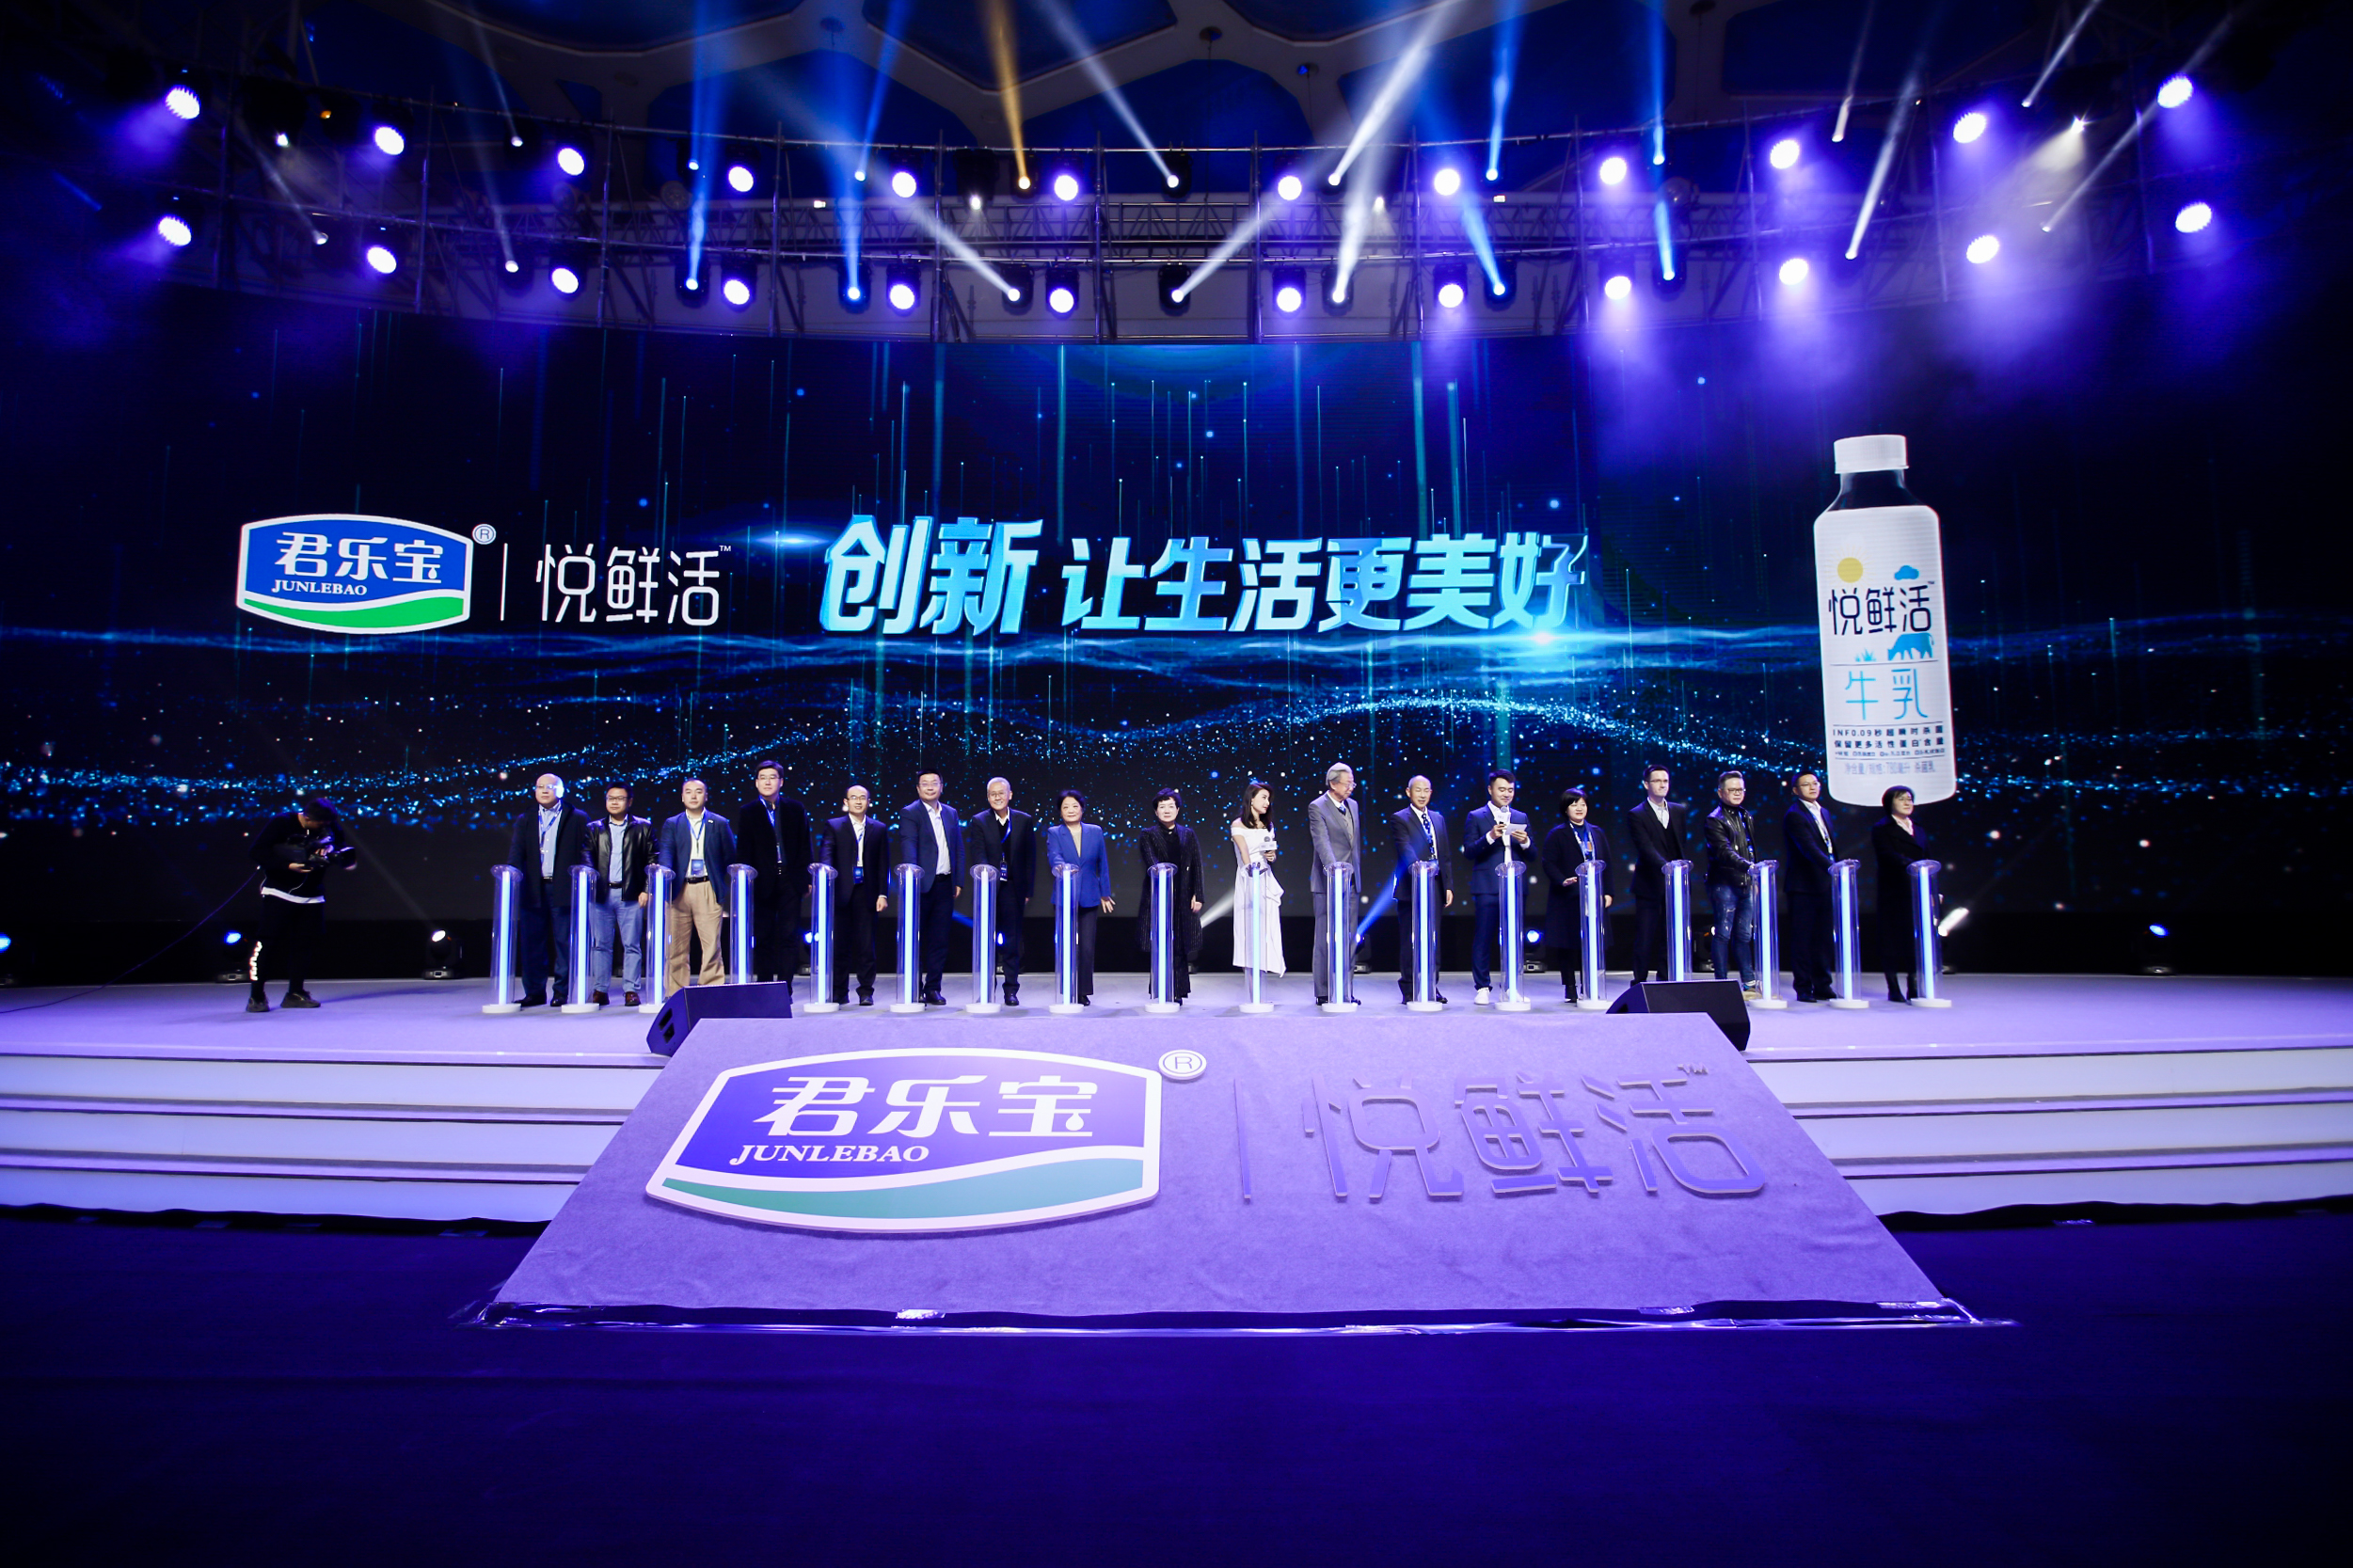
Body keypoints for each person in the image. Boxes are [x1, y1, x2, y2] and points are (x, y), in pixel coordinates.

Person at [243, 796, 358, 1012]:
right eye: (319, 823)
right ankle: (256, 996)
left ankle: (295, 992)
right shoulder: (282, 822)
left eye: (327, 823)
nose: (323, 826)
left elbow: (341, 851)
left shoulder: (331, 827)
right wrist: (287, 865)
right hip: (279, 892)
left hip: (312, 896)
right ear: (307, 817)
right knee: (267, 944)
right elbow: (257, 851)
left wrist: (333, 854)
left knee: (304, 945)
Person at [505, 773, 589, 1008]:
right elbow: (516, 851)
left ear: (561, 791)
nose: (544, 790)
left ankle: (561, 991)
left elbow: (585, 851)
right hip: (533, 888)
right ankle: (534, 992)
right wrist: (511, 875)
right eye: (539, 786)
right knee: (532, 943)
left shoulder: (577, 817)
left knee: (564, 942)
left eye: (549, 786)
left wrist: (585, 876)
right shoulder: (526, 818)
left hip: (563, 888)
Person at [736, 761, 811, 986]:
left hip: (790, 880)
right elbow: (744, 850)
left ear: (781, 781)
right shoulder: (748, 811)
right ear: (756, 782)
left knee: (789, 936)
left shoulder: (795, 808)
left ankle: (785, 988)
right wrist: (746, 883)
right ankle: (765, 988)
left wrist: (806, 879)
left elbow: (804, 846)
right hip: (761, 882)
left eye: (772, 777)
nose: (767, 782)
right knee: (763, 937)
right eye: (763, 778)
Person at [1462, 768, 1534, 1005]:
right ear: (1490, 790)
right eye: (1502, 789)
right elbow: (1469, 851)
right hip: (1488, 886)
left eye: (1510, 790)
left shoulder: (1521, 816)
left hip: (1515, 886)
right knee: (1483, 937)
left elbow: (1533, 855)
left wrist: (1525, 842)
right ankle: (1482, 986)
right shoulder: (1476, 816)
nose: (1506, 794)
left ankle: (1512, 985)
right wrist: (1490, 836)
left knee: (1513, 938)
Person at [657, 778, 735, 992]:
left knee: (711, 945)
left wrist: (721, 883)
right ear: (682, 797)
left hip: (708, 887)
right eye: (688, 791)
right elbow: (666, 852)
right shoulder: (673, 823)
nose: (693, 795)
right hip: (678, 889)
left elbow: (730, 856)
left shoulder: (719, 823)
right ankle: (676, 991)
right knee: (676, 945)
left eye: (698, 791)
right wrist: (664, 873)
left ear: (706, 796)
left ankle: (710, 988)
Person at [895, 768, 965, 1006]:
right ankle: (913, 988)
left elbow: (958, 848)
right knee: (916, 938)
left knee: (939, 940)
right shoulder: (910, 812)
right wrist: (913, 881)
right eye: (924, 783)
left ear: (941, 787)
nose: (930, 787)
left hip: (945, 884)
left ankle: (933, 988)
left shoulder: (951, 813)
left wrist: (958, 880)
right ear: (918, 788)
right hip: (920, 886)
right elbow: (909, 847)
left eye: (934, 783)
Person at [964, 777, 1037, 1006]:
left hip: (1013, 889)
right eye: (993, 794)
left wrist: (1027, 890)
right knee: (987, 940)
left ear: (1010, 795)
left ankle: (1011, 990)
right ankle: (987, 989)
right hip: (989, 888)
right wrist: (987, 879)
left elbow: (1030, 858)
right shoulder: (979, 821)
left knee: (1012, 941)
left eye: (1001, 793)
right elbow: (978, 854)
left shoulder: (1024, 820)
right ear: (988, 797)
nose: (997, 797)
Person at [819, 784, 890, 1006]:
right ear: (846, 802)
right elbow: (826, 854)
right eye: (853, 797)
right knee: (840, 945)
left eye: (862, 798)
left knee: (866, 946)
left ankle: (866, 991)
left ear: (869, 802)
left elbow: (883, 865)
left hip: (867, 892)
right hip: (841, 892)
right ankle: (839, 991)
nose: (858, 801)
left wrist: (883, 894)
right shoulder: (834, 826)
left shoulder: (879, 828)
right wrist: (826, 880)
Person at [1540, 788, 1614, 1002]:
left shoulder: (1597, 833)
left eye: (1582, 804)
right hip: (1568, 897)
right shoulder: (1557, 834)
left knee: (1592, 942)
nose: (1579, 808)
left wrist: (1608, 892)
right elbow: (1548, 863)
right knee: (1568, 944)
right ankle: (1570, 987)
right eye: (1574, 804)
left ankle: (1590, 985)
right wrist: (1563, 880)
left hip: (1594, 896)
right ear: (1566, 809)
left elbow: (1608, 864)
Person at [583, 784, 653, 1007]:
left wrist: (646, 889)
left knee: (632, 944)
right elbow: (586, 857)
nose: (614, 802)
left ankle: (631, 990)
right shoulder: (594, 828)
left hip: (630, 894)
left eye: (619, 798)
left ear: (629, 802)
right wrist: (590, 885)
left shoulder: (643, 827)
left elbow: (652, 859)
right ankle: (600, 990)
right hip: (601, 895)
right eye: (610, 798)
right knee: (601, 945)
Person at [1389, 775, 1455, 1004]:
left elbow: (1444, 855)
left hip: (1435, 887)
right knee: (1411, 939)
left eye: (1426, 790)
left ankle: (1430, 986)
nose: (1422, 794)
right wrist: (1420, 871)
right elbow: (1405, 849)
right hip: (1411, 887)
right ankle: (1409, 988)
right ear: (1409, 792)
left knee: (1432, 938)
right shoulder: (1400, 818)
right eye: (1418, 790)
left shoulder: (1438, 818)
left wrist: (1448, 885)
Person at [1044, 789, 1114, 1005]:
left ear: (1082, 809)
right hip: (1065, 895)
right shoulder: (1055, 832)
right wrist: (1062, 868)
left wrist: (1105, 893)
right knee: (1066, 945)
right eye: (1065, 807)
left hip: (1090, 895)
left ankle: (1082, 991)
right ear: (1060, 812)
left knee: (1086, 947)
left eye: (1075, 806)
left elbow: (1103, 864)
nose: (1071, 810)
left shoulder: (1095, 831)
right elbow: (1054, 856)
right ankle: (1067, 989)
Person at [1136, 788, 1206, 1004]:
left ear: (1178, 809)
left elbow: (1196, 865)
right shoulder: (1148, 835)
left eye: (1171, 806)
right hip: (1158, 897)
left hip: (1183, 897)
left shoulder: (1188, 834)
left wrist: (1198, 895)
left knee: (1180, 946)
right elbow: (1151, 862)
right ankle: (1161, 989)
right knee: (1160, 945)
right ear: (1156, 811)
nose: (1167, 810)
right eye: (1162, 807)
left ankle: (1178, 990)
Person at [1306, 763, 1365, 1006]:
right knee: (1325, 938)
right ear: (1332, 783)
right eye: (1347, 783)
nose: (1351, 787)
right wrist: (1335, 872)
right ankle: (1323, 991)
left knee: (1349, 938)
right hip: (1328, 882)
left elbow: (1353, 845)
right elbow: (1322, 842)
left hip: (1351, 882)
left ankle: (1344, 990)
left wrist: (1351, 875)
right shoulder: (1317, 806)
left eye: (1353, 783)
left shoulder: (1353, 805)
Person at [1624, 764, 1689, 982]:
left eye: (1665, 781)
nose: (1662, 785)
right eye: (1657, 781)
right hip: (1649, 885)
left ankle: (1665, 980)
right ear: (1646, 784)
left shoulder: (1678, 811)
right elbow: (1645, 847)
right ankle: (1639, 982)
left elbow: (1680, 844)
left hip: (1674, 885)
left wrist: (1680, 870)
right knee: (1645, 936)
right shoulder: (1637, 814)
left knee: (1670, 935)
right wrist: (1666, 867)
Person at [1872, 785, 1935, 1004]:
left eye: (1910, 799)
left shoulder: (1918, 828)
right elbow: (1886, 855)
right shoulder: (1882, 828)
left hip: (1917, 890)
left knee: (1913, 939)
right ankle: (1893, 987)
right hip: (1894, 890)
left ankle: (1914, 984)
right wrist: (1913, 866)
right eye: (1902, 799)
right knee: (1891, 939)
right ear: (1890, 803)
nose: (1908, 803)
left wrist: (1932, 889)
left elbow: (1929, 857)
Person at [1781, 770, 1837, 1003]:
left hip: (1824, 884)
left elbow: (1829, 846)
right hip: (1803, 886)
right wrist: (1832, 867)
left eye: (1815, 783)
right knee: (1803, 940)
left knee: (1823, 939)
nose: (1813, 787)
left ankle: (1823, 985)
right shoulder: (1795, 814)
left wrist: (1836, 870)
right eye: (1806, 784)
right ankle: (1804, 987)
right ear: (1796, 790)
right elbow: (1809, 848)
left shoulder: (1824, 812)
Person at [1701, 771, 1760, 995]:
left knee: (1744, 934)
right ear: (1720, 792)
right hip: (1724, 883)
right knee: (1723, 933)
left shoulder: (1746, 815)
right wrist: (1748, 867)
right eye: (1732, 790)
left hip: (1746, 883)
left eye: (1740, 789)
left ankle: (1749, 983)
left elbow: (1751, 849)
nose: (1737, 793)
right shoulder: (1714, 819)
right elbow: (1723, 852)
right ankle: (1722, 983)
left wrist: (1754, 875)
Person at [1230, 780, 1286, 986]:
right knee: (1249, 930)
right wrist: (1251, 873)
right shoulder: (1237, 825)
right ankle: (1251, 987)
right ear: (1251, 799)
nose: (1267, 802)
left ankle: (1262, 983)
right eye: (1263, 797)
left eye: (1268, 799)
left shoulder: (1268, 826)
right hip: (1248, 879)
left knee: (1266, 929)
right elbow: (1244, 852)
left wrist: (1271, 856)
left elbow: (1270, 853)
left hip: (1265, 878)